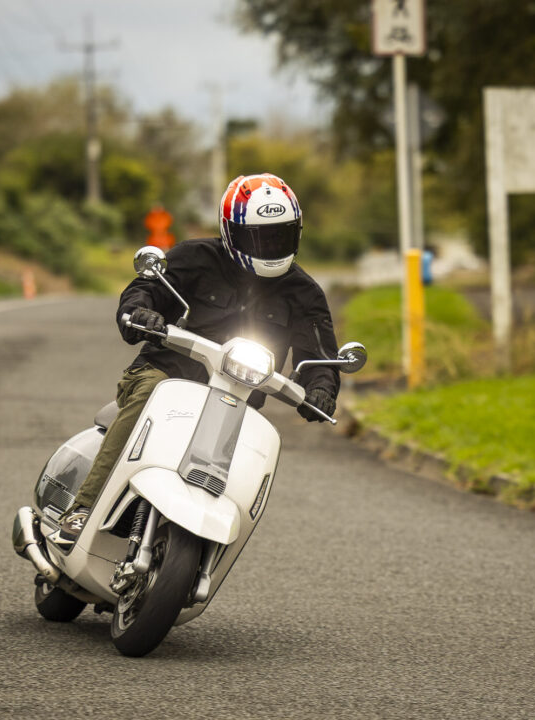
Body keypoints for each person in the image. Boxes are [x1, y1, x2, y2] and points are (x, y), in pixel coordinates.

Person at [57, 173, 341, 544]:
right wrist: (142, 311)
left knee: (257, 450)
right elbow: (145, 289)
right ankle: (84, 508)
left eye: (279, 234)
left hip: (237, 402)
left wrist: (321, 389)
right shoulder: (194, 258)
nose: (270, 245)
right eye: (259, 236)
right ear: (231, 231)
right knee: (146, 399)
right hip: (165, 374)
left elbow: (319, 357)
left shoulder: (304, 293)